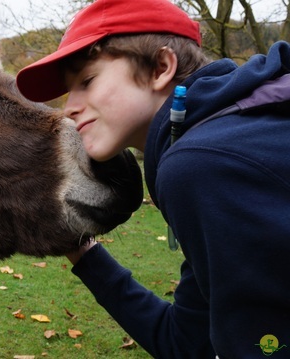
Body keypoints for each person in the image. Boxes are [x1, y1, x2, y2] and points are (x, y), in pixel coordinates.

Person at [16, 0, 290, 358]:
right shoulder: (224, 134)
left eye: (87, 80)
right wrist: (80, 251)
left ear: (161, 67)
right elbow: (187, 342)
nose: (69, 106)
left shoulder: (200, 165)